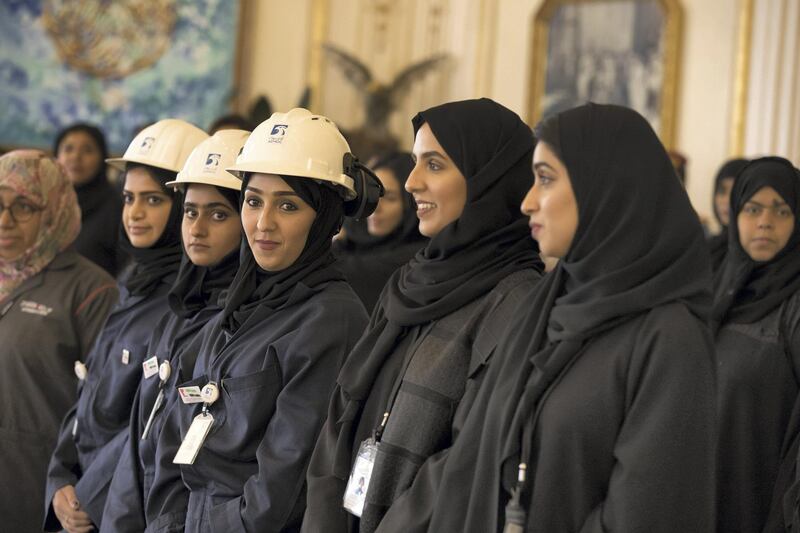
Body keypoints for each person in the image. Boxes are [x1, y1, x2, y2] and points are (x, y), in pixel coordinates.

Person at [424, 103, 716, 532]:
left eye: (545, 179)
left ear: (605, 186)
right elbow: (473, 457)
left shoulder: (669, 338)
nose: (527, 202)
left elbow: (647, 513)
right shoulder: (547, 305)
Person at [302, 98, 544, 533]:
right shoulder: (410, 281)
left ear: (486, 178)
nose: (412, 182)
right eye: (415, 163)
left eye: (434, 165)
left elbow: (468, 457)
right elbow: (340, 418)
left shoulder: (516, 300)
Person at [144, 108, 371, 532]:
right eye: (252, 201)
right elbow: (174, 446)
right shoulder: (239, 308)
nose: (263, 224)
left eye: (287, 205)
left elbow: (280, 491)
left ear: (323, 218)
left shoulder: (330, 320)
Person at [44, 119, 209, 532]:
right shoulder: (132, 279)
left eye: (153, 200)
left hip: (118, 506)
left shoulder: (194, 301)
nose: (134, 213)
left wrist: (88, 494)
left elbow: (149, 422)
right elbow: (89, 384)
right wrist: (59, 477)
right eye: (129, 198)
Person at [99, 129, 250, 532]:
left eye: (218, 214)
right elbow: (136, 438)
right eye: (190, 211)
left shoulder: (240, 322)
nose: (197, 229)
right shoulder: (176, 310)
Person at [0, 150, 118, 532]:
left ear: (53, 211)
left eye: (23, 207)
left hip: (41, 488)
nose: (5, 220)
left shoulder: (91, 289)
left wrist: (80, 484)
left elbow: (108, 407)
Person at [711, 157, 800, 533]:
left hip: (763, 505)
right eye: (753, 209)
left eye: (782, 210)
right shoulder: (716, 289)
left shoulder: (794, 305)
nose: (765, 221)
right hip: (705, 494)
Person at [334, 151, 426, 311]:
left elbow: (341, 270)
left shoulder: (416, 259)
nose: (376, 207)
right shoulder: (350, 243)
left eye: (390, 198)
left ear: (411, 204)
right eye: (373, 194)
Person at [54, 123, 124, 276]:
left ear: (102, 157)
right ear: (56, 156)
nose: (76, 157)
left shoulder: (117, 207)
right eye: (68, 149)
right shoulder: (46, 204)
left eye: (87, 150)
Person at [708, 158, 750, 272]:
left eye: (736, 192)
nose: (727, 200)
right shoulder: (707, 247)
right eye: (722, 191)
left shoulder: (755, 251)